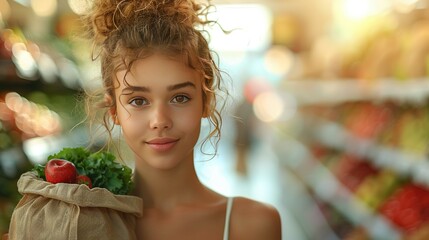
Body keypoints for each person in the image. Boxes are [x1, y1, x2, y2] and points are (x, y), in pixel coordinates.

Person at [82, 0, 282, 239]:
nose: (160, 120)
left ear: (206, 102)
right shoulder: (87, 223)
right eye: (138, 101)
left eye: (179, 98)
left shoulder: (253, 225)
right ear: (113, 110)